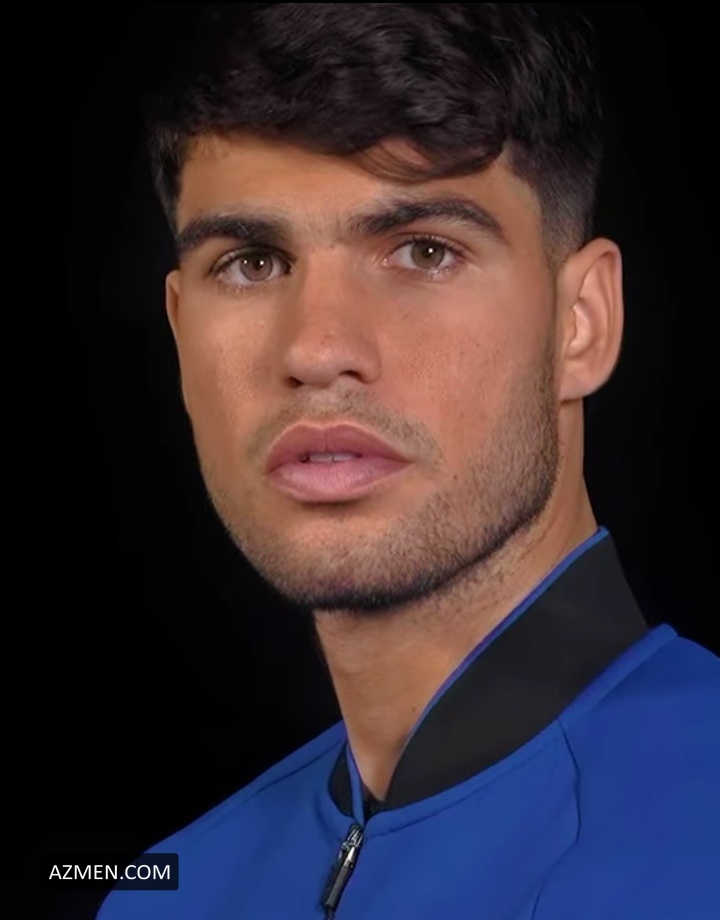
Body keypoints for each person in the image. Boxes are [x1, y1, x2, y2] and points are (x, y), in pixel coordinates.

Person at [97, 4, 719, 918]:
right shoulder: (164, 892)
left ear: (581, 324)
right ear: (181, 332)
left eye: (424, 251)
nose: (317, 349)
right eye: (252, 263)